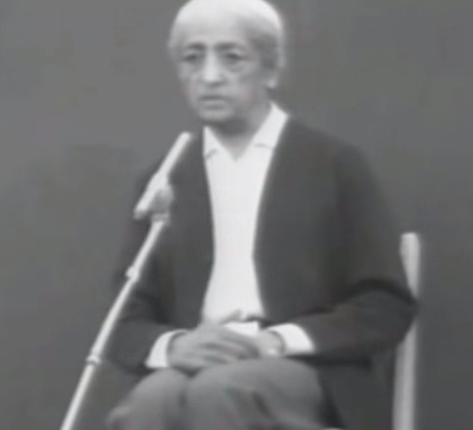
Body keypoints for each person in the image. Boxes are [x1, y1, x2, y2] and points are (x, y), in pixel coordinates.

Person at [106, 1, 417, 429]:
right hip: (194, 368)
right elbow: (125, 318)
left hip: (307, 373)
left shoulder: (333, 166)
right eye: (193, 58)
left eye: (232, 57)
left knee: (220, 391)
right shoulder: (165, 179)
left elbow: (383, 305)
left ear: (271, 69)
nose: (210, 76)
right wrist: (175, 345)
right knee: (149, 403)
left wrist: (276, 340)